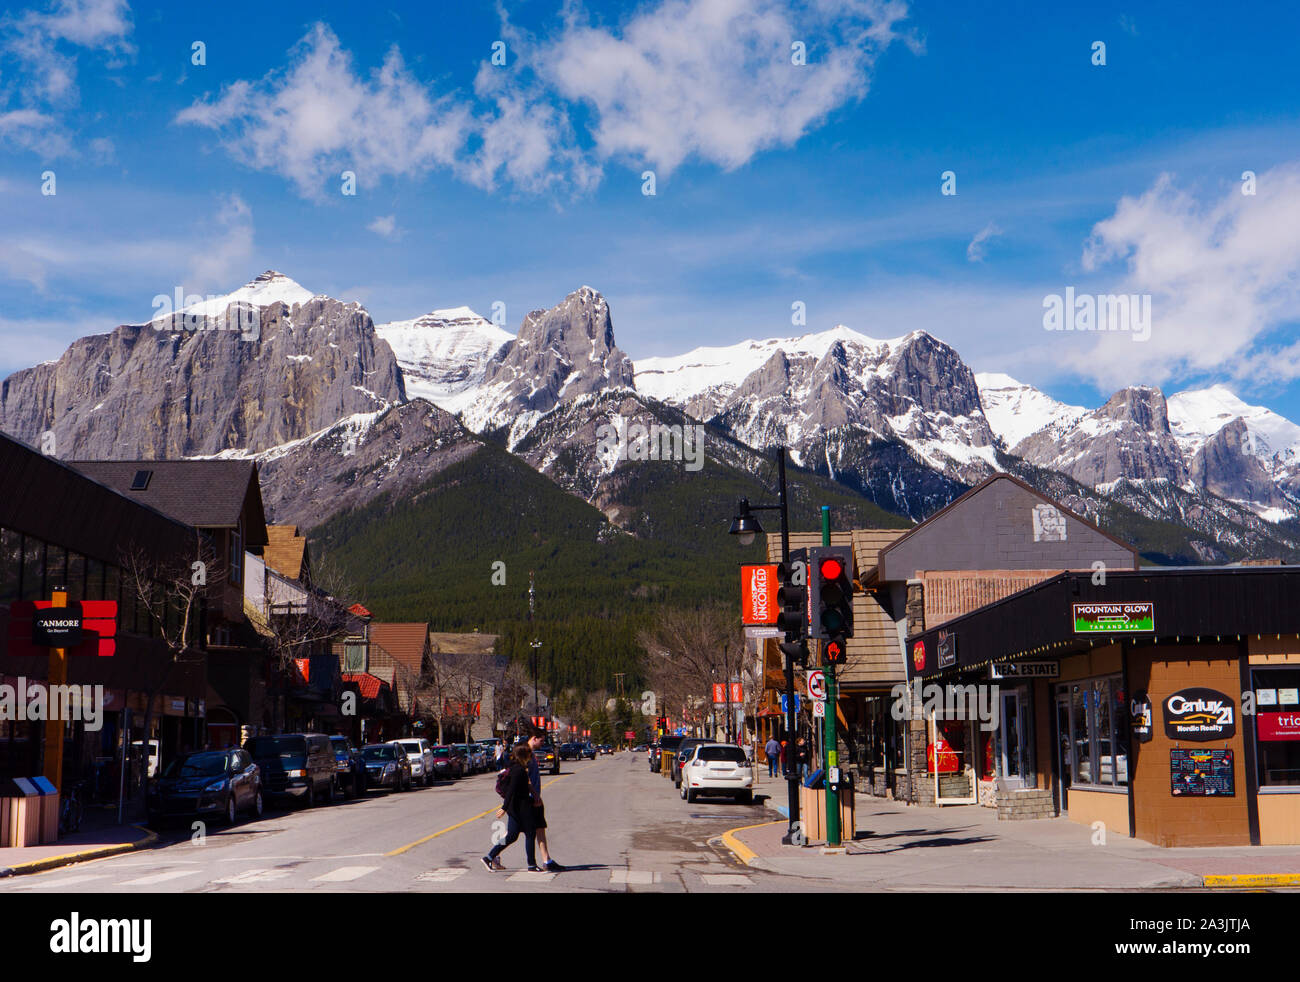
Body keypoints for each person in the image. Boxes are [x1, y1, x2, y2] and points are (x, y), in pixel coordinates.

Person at [483, 744, 538, 871]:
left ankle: (489, 857)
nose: (531, 755)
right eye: (529, 753)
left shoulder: (514, 767)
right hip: (521, 806)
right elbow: (512, 790)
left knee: (512, 835)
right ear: (524, 755)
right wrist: (504, 807)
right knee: (530, 833)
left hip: (514, 807)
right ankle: (532, 865)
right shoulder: (518, 770)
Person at [526, 734, 565, 872]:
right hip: (529, 800)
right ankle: (493, 856)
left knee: (540, 828)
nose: (542, 744)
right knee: (513, 833)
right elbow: (525, 778)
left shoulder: (531, 753)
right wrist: (535, 796)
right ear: (534, 738)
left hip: (534, 799)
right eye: (541, 741)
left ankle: (546, 860)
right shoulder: (525, 753)